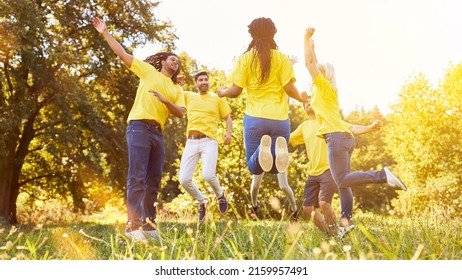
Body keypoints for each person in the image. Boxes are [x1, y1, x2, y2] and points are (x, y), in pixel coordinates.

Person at [303, 27, 407, 234]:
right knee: (344, 182)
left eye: (320, 70)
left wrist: (306, 39)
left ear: (324, 74)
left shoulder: (323, 88)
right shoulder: (328, 93)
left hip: (336, 139)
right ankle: (345, 223)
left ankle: (381, 175)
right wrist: (369, 128)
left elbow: (310, 64)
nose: (316, 71)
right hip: (345, 138)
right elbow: (349, 127)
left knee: (341, 179)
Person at [92, 17, 186, 241]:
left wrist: (165, 100)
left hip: (157, 133)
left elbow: (181, 112)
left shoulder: (176, 88)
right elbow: (122, 54)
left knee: (154, 179)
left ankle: (149, 226)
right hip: (139, 128)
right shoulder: (148, 71)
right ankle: (132, 227)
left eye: (178, 61)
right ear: (163, 61)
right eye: (172, 58)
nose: (176, 62)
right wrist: (105, 33)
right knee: (137, 177)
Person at [217, 17, 308, 220]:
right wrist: (302, 97)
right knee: (277, 168)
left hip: (255, 119)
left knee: (254, 166)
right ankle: (272, 151)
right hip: (280, 120)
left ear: (251, 34)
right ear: (274, 34)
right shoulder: (282, 59)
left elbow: (235, 91)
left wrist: (222, 92)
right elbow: (289, 88)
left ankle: (261, 150)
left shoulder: (245, 59)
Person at [290, 94, 382, 237]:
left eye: (311, 101)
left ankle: (338, 233)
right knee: (308, 208)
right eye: (305, 103)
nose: (308, 103)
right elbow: (287, 139)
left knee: (324, 203)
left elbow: (351, 127)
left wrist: (370, 128)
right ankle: (330, 234)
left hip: (329, 169)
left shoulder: (329, 121)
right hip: (313, 172)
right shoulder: (303, 127)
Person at [178, 71, 232, 222]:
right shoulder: (188, 96)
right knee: (183, 179)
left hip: (209, 141)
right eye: (200, 80)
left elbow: (227, 117)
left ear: (209, 82)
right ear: (196, 83)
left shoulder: (217, 99)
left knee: (208, 175)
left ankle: (220, 195)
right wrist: (175, 80)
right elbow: (172, 90)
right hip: (191, 141)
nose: (204, 82)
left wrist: (228, 133)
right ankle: (202, 201)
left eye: (206, 80)